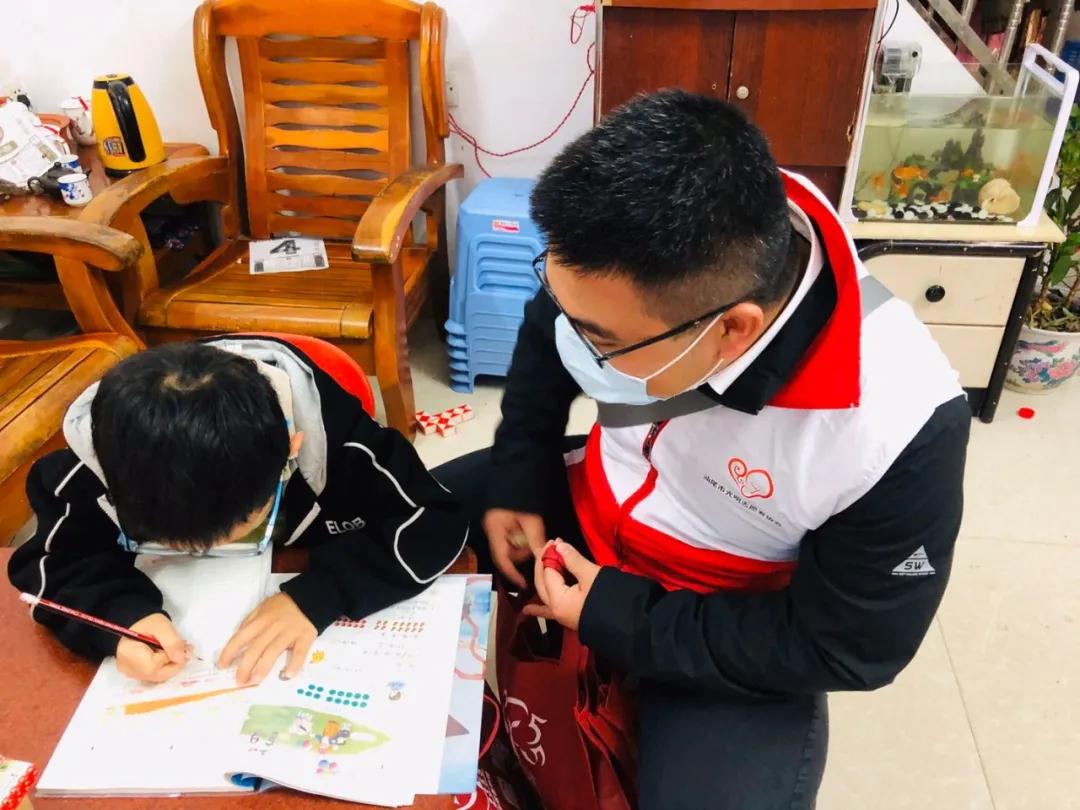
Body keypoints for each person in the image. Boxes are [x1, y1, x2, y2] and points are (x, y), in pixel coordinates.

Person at [437, 90, 970, 809]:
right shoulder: (644, 251)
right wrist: (520, 473)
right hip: (591, 499)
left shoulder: (898, 425)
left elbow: (849, 645)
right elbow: (552, 327)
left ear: (733, 330)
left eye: (602, 340)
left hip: (724, 613)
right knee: (390, 519)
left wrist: (620, 614)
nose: (575, 341)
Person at [9, 336, 468, 686]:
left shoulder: (343, 443)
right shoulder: (92, 466)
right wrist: (119, 619)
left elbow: (433, 520)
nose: (209, 550)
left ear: (291, 451)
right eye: (175, 541)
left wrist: (318, 596)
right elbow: (51, 565)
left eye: (245, 526)